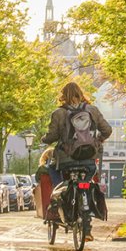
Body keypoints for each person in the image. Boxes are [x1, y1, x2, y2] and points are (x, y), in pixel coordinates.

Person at [42, 82, 112, 241]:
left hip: (67, 161)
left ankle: (61, 206)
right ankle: (87, 228)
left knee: (58, 176)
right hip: (88, 159)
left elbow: (51, 136)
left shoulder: (59, 113)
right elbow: (107, 130)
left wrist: (44, 139)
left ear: (63, 96)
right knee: (86, 184)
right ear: (81, 94)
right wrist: (98, 141)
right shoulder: (92, 110)